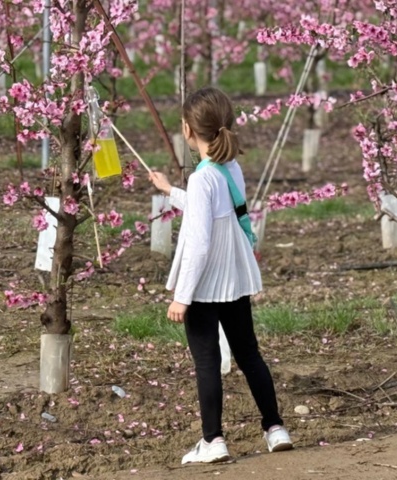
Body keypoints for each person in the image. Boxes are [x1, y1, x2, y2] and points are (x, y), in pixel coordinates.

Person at [148, 87, 292, 464]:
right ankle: (275, 428)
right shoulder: (230, 169)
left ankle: (213, 440)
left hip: (204, 285)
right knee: (249, 354)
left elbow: (197, 240)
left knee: (207, 362)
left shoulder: (202, 179)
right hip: (234, 278)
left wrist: (182, 294)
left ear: (187, 129)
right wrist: (170, 190)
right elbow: (212, 210)